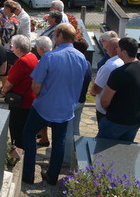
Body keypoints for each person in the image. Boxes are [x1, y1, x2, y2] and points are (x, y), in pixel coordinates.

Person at [22, 23, 90, 186]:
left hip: (44, 106)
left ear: (60, 35)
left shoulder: (49, 57)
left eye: (55, 34)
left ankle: (28, 174)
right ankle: (52, 177)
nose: (53, 37)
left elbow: (36, 85)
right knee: (59, 141)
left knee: (28, 134)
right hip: (66, 107)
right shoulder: (82, 58)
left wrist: (41, 96)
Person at [97, 37, 140, 142]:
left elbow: (105, 101)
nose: (116, 50)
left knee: (102, 148)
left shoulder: (119, 73)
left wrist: (112, 112)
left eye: (118, 48)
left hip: (116, 120)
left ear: (124, 52)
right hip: (135, 120)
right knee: (124, 150)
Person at [2, 35, 38, 154]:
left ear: (18, 49)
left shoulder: (22, 61)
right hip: (30, 98)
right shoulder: (32, 56)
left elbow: (10, 82)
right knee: (25, 129)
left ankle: (16, 153)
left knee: (16, 129)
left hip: (20, 102)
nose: (11, 48)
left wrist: (4, 90)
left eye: (13, 46)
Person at [90, 37, 123, 123]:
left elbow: (97, 88)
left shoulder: (109, 66)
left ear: (114, 49)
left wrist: (92, 91)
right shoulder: (123, 62)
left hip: (105, 110)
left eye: (108, 46)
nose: (105, 48)